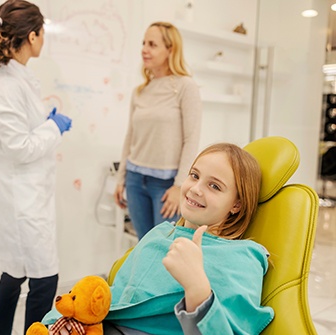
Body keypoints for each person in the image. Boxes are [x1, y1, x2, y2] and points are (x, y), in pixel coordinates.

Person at [44, 143, 274, 335]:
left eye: (214, 186)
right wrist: (68, 318)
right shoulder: (160, 233)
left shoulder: (242, 257)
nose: (195, 189)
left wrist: (198, 289)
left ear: (237, 204)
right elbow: (120, 294)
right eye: (194, 175)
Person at [0, 1, 72, 334]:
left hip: (25, 195)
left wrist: (45, 124)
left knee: (14, 273)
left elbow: (20, 133)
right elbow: (19, 147)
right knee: (45, 281)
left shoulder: (15, 77)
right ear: (32, 36)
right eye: (42, 33)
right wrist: (53, 127)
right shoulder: (4, 84)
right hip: (21, 201)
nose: (44, 39)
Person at [114, 21, 202, 240]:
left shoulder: (185, 87)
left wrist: (179, 186)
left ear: (170, 50)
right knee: (144, 245)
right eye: (144, 43)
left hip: (165, 185)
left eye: (152, 44)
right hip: (135, 179)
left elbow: (191, 139)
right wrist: (121, 178)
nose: (144, 49)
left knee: (164, 248)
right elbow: (130, 136)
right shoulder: (140, 91)